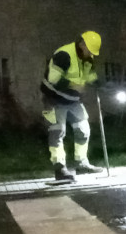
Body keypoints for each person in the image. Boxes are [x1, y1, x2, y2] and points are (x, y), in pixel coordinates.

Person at [39, 31, 105, 182]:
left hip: (73, 100)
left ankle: (81, 163)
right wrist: (73, 85)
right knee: (57, 132)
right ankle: (59, 168)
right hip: (53, 98)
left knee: (83, 130)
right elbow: (53, 79)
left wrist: (101, 84)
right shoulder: (64, 55)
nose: (91, 54)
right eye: (89, 49)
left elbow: (90, 76)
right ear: (82, 44)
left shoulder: (88, 58)